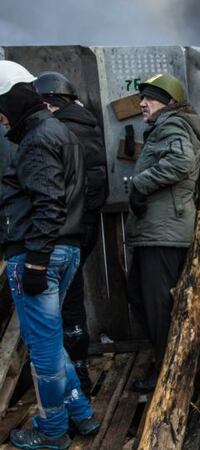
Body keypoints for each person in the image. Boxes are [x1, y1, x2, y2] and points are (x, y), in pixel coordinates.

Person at [0, 60, 98, 450]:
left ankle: (52, 432)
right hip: (63, 249)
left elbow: (49, 204)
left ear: (13, 99)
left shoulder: (39, 138)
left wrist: (37, 261)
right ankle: (82, 414)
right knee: (49, 341)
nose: (1, 118)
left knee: (42, 351)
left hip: (40, 252)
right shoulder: (60, 131)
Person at [126, 73, 200, 393]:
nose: (143, 104)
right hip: (157, 229)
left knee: (158, 307)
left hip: (164, 231)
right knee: (139, 296)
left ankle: (167, 374)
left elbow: (181, 162)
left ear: (168, 103)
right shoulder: (169, 125)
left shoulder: (172, 125)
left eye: (150, 98)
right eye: (142, 97)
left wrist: (140, 184)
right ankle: (166, 364)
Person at [33, 71, 108, 395]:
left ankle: (71, 384)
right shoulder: (89, 124)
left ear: (49, 104)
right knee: (71, 296)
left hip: (62, 228)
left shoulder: (57, 130)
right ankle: (80, 376)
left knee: (57, 305)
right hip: (86, 224)